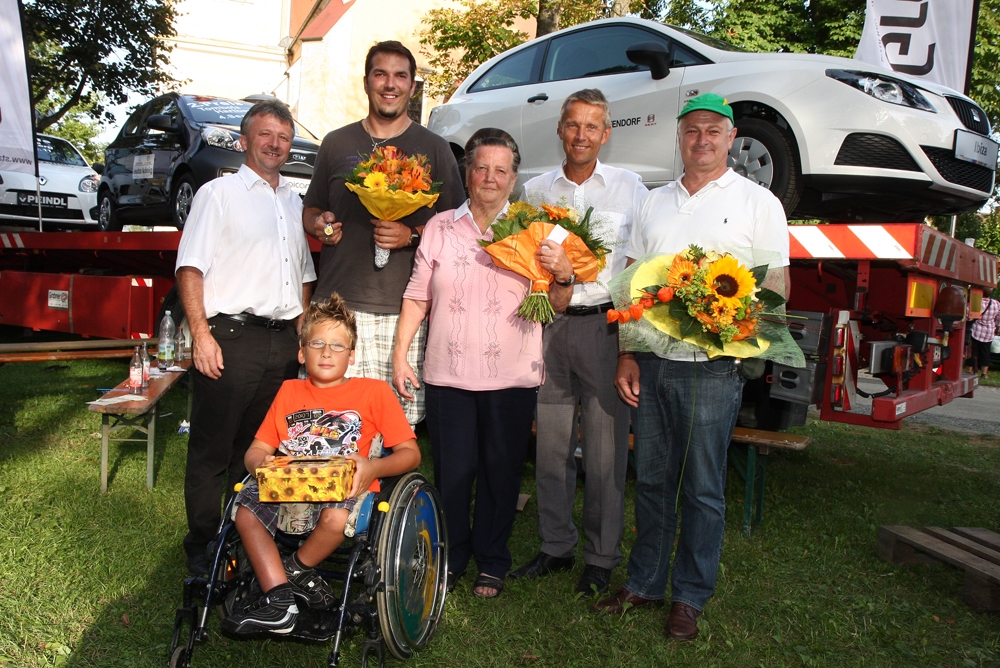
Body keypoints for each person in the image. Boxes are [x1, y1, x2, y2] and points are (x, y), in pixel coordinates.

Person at [592, 94, 790, 641]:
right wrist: (628, 352)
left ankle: (690, 596)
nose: (701, 139)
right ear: (679, 139)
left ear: (731, 139)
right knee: (652, 479)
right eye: (691, 130)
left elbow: (775, 287)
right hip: (652, 364)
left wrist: (731, 338)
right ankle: (645, 582)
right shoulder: (655, 202)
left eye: (713, 130)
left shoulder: (758, 203)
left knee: (702, 485)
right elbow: (630, 284)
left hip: (711, 367)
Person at [391, 128, 544, 599]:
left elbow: (557, 298)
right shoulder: (439, 227)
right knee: (453, 474)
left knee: (502, 473)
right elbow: (417, 297)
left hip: (512, 376)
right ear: (467, 173)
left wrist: (560, 273)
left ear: (514, 178)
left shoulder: (534, 229)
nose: (490, 178)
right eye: (481, 168)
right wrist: (401, 353)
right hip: (448, 375)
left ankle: (493, 560)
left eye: (501, 170)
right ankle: (454, 555)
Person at [509, 89, 647, 597]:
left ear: (606, 133)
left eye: (592, 126)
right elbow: (522, 260)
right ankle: (555, 546)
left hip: (608, 326)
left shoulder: (632, 189)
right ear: (560, 130)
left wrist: (631, 339)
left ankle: (601, 557)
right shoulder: (535, 189)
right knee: (550, 445)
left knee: (606, 451)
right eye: (573, 125)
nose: (581, 135)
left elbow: (639, 267)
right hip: (552, 327)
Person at [220, 294, 421, 634]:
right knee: (244, 511)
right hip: (289, 485)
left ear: (352, 356)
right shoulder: (288, 391)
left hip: (346, 487)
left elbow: (411, 453)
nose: (327, 352)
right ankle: (281, 601)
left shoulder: (374, 393)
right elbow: (255, 449)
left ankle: (294, 569)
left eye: (337, 346)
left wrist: (372, 468)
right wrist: (260, 466)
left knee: (335, 516)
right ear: (301, 352)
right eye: (317, 343)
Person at [176, 99, 317, 576]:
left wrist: (302, 327)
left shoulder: (293, 202)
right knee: (213, 449)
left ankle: (241, 535)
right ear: (243, 141)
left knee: (259, 452)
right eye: (265, 134)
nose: (276, 144)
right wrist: (201, 334)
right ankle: (201, 546)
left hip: (280, 344)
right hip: (230, 337)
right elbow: (190, 267)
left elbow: (303, 274)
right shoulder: (218, 195)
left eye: (283, 136)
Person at [301, 40, 465, 426]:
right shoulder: (336, 143)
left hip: (400, 313)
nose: (389, 84)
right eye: (380, 74)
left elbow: (458, 227)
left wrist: (411, 235)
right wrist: (321, 225)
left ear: (412, 86)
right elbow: (309, 211)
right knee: (328, 425)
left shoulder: (435, 148)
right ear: (366, 82)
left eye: (400, 76)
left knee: (394, 429)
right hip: (336, 308)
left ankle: (391, 490)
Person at [971, 291, 1000, 379]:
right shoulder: (996, 303)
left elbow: (971, 315)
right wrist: (998, 327)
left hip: (976, 330)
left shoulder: (976, 302)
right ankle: (984, 374)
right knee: (985, 353)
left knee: (973, 351)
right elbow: (998, 317)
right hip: (988, 332)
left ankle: (969, 370)